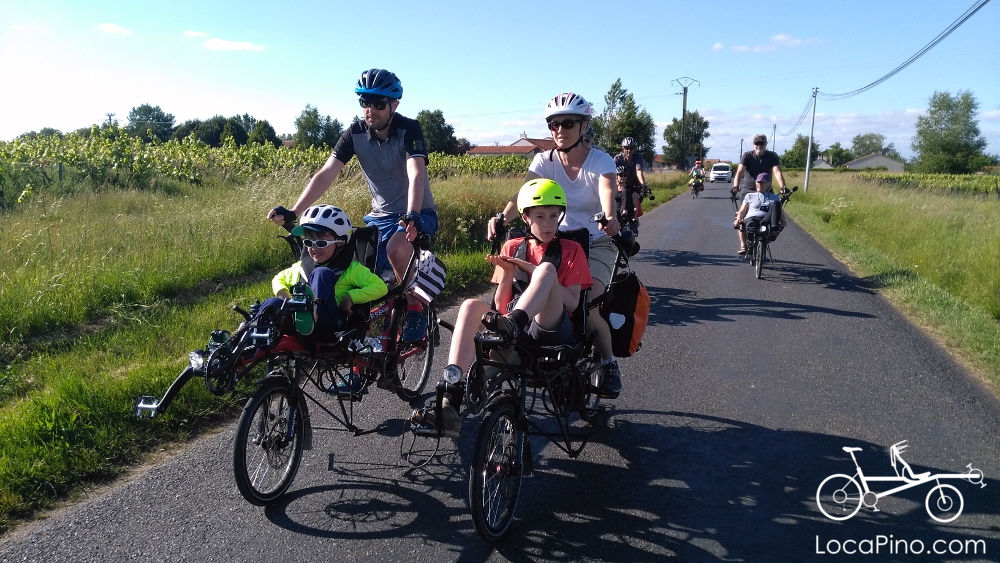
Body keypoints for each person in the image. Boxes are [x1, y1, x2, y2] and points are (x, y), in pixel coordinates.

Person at [411, 179, 593, 437]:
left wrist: (533, 270)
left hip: (551, 329)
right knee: (470, 305)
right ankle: (450, 401)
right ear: (526, 218)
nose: (548, 223)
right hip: (514, 328)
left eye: (554, 216)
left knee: (547, 269)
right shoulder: (512, 247)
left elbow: (573, 302)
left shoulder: (571, 249)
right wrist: (509, 273)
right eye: (540, 216)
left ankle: (514, 324)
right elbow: (500, 304)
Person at [267, 68, 437, 342]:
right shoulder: (354, 133)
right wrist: (294, 211)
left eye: (379, 103)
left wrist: (413, 215)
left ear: (395, 104)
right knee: (355, 272)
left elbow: (416, 171)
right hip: (379, 216)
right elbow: (326, 173)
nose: (371, 109)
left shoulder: (409, 129)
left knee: (396, 247)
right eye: (364, 102)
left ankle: (415, 307)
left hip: (418, 212)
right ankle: (358, 348)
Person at [488, 92, 623, 396]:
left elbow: (606, 191)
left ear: (584, 125)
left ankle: (608, 360)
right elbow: (523, 194)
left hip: (595, 240)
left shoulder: (600, 160)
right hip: (552, 237)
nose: (559, 130)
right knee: (526, 288)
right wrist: (502, 217)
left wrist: (609, 217)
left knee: (588, 304)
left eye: (568, 123)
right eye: (553, 124)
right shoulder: (543, 161)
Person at [239, 205, 388, 393]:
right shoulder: (301, 266)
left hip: (329, 325)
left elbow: (380, 287)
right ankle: (247, 348)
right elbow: (278, 278)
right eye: (309, 243)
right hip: (299, 324)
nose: (314, 249)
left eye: (321, 243)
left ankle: (313, 313)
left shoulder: (352, 269)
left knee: (322, 274)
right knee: (271, 304)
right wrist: (285, 299)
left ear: (340, 242)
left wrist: (351, 297)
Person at [734, 173, 785, 255]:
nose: (759, 184)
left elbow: (779, 212)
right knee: (751, 224)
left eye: (762, 182)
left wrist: (783, 222)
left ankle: (774, 228)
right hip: (752, 218)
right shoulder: (749, 196)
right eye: (758, 182)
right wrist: (738, 219)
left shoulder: (774, 197)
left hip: (767, 220)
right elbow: (742, 211)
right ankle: (748, 244)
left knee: (776, 203)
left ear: (769, 184)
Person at [732, 133, 788, 204]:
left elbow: (777, 172)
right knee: (744, 213)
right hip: (749, 190)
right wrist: (736, 186)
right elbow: (740, 172)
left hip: (767, 191)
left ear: (766, 144)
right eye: (757, 143)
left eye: (762, 143)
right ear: (753, 144)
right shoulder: (747, 156)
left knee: (773, 212)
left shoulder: (772, 156)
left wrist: (782, 187)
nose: (759, 146)